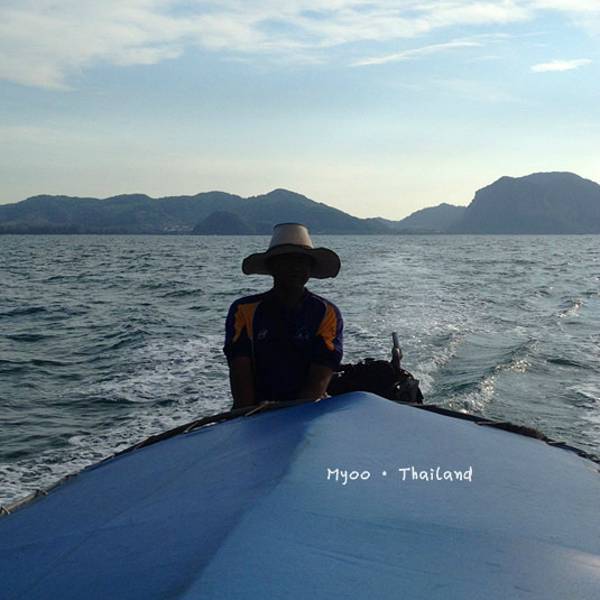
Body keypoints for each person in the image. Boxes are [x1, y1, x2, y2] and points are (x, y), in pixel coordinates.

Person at [224, 223, 343, 409]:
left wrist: (294, 415)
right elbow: (239, 368)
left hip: (307, 410)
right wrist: (247, 415)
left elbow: (320, 376)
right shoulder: (243, 310)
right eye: (287, 261)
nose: (296, 268)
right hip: (254, 411)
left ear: (311, 269)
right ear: (272, 266)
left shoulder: (326, 312)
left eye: (303, 262)